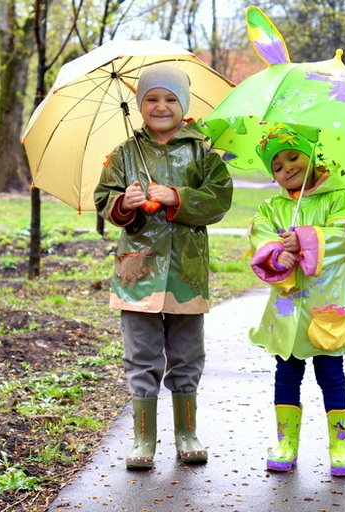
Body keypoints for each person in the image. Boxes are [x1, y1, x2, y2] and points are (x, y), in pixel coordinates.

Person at [94, 64, 233, 470]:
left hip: (186, 273)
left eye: (170, 98)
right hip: (138, 273)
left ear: (184, 105)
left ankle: (187, 432)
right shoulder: (123, 154)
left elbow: (219, 200)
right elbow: (105, 198)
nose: (161, 106)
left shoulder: (202, 151)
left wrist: (176, 196)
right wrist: (124, 203)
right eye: (151, 98)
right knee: (141, 355)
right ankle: (142, 439)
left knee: (187, 353)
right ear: (139, 105)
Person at [247, 125, 345, 477]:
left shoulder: (337, 198)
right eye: (276, 166)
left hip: (327, 306)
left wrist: (303, 241)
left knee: (331, 374)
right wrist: (277, 254)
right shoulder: (272, 206)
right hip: (287, 311)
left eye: (293, 157)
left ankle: (340, 446)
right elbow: (258, 232)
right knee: (286, 373)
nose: (286, 168)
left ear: (312, 157)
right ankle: (285, 443)